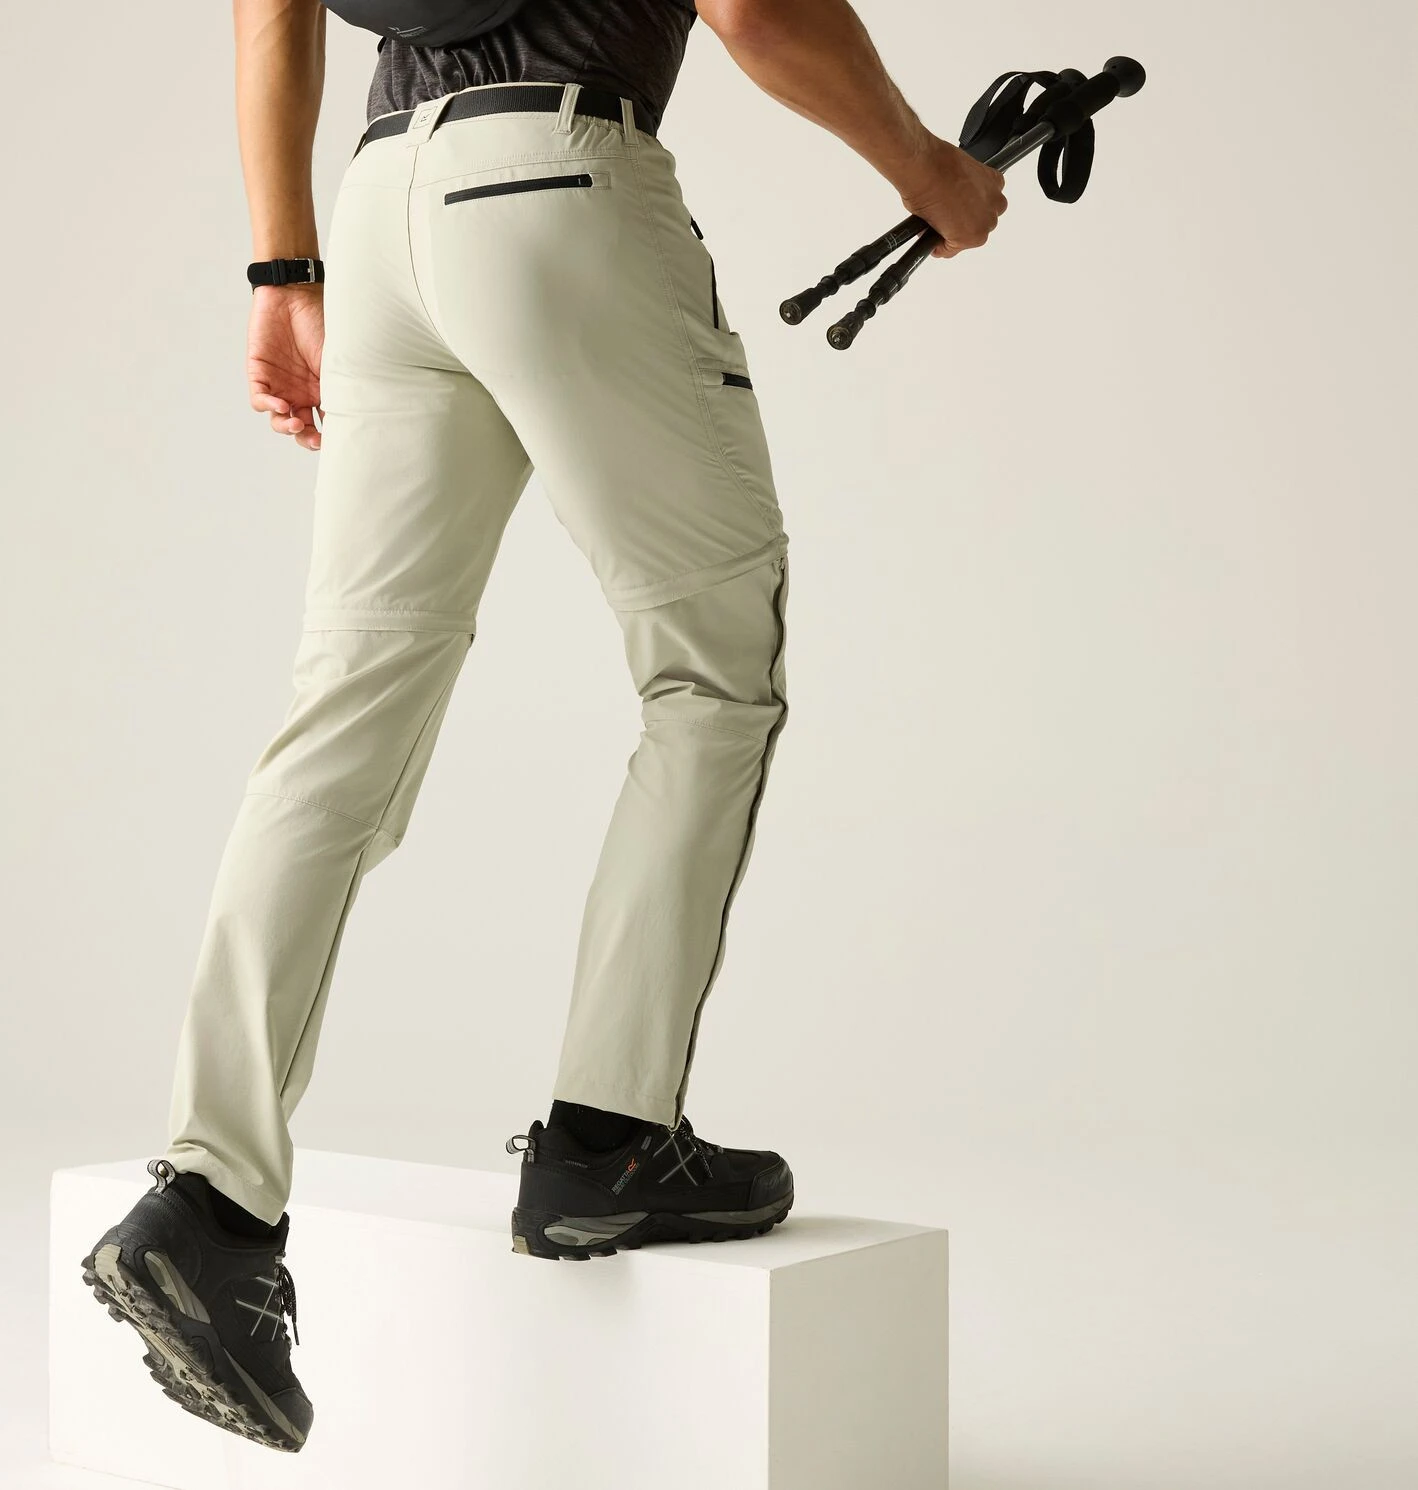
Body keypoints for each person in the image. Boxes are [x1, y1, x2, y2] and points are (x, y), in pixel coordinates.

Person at [78, 0, 1007, 1452]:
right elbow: (754, 9)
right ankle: (609, 1137)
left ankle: (210, 1198)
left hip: (380, 211)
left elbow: (270, 11)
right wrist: (928, 172)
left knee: (348, 701)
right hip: (559, 182)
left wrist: (283, 268)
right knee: (712, 678)